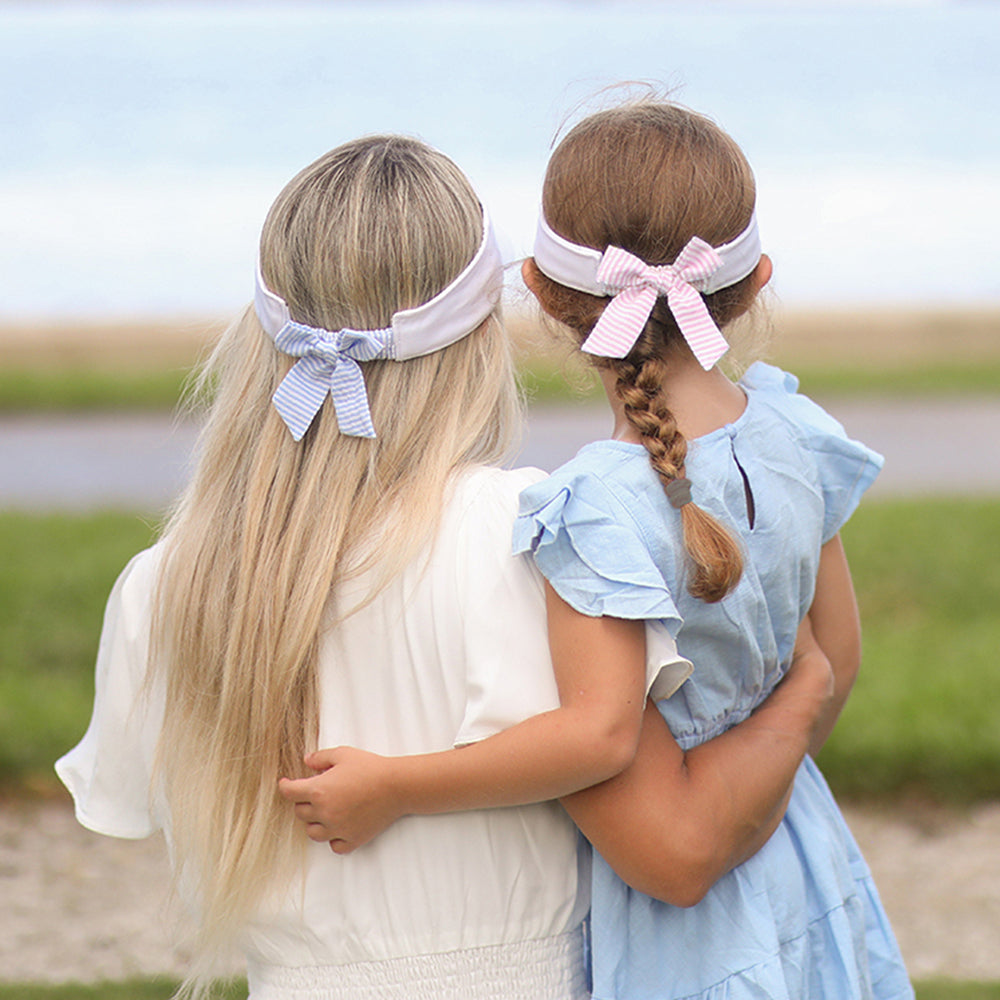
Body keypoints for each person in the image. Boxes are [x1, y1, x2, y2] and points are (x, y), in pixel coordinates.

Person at [57, 133, 834, 1000]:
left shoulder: (168, 585)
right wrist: (805, 690)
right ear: (483, 330)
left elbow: (141, 812)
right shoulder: (535, 537)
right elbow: (679, 846)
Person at [282, 103, 914, 999]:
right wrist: (794, 698)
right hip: (801, 850)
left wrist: (394, 788)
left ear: (539, 290)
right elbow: (833, 663)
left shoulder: (591, 510)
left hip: (691, 935)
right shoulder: (799, 434)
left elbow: (597, 736)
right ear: (757, 278)